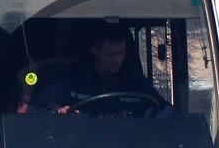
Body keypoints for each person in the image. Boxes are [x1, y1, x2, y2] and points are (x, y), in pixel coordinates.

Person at [32, 22, 169, 117]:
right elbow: (41, 110)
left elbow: (165, 111)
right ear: (95, 52)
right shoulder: (72, 81)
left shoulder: (135, 83)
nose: (117, 60)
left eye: (121, 53)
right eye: (111, 55)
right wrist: (60, 112)